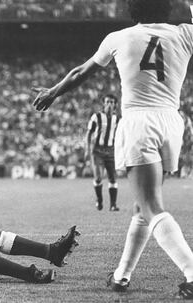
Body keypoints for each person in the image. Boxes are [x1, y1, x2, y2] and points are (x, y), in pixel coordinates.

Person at [31, 0, 193, 298]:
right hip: (172, 121)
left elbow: (81, 72)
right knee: (143, 209)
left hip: (139, 121)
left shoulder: (119, 38)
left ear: (134, 9)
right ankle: (121, 276)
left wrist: (53, 92)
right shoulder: (185, 33)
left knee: (151, 206)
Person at [85, 94, 120, 211]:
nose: (110, 104)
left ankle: (113, 205)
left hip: (111, 151)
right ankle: (99, 200)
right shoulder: (97, 117)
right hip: (98, 151)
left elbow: (120, 135)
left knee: (113, 178)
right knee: (99, 177)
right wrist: (87, 149)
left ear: (115, 105)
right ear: (104, 104)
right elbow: (89, 133)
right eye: (108, 102)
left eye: (112, 102)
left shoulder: (118, 119)